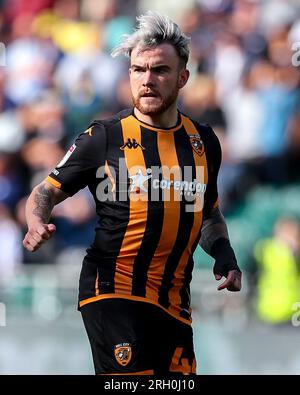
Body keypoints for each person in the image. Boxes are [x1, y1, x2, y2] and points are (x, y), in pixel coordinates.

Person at [23, 11, 242, 375]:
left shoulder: (204, 142)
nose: (147, 80)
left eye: (160, 71)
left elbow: (208, 214)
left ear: (183, 77)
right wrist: (35, 221)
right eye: (139, 70)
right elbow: (45, 192)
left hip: (174, 302)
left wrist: (224, 254)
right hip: (113, 288)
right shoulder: (103, 137)